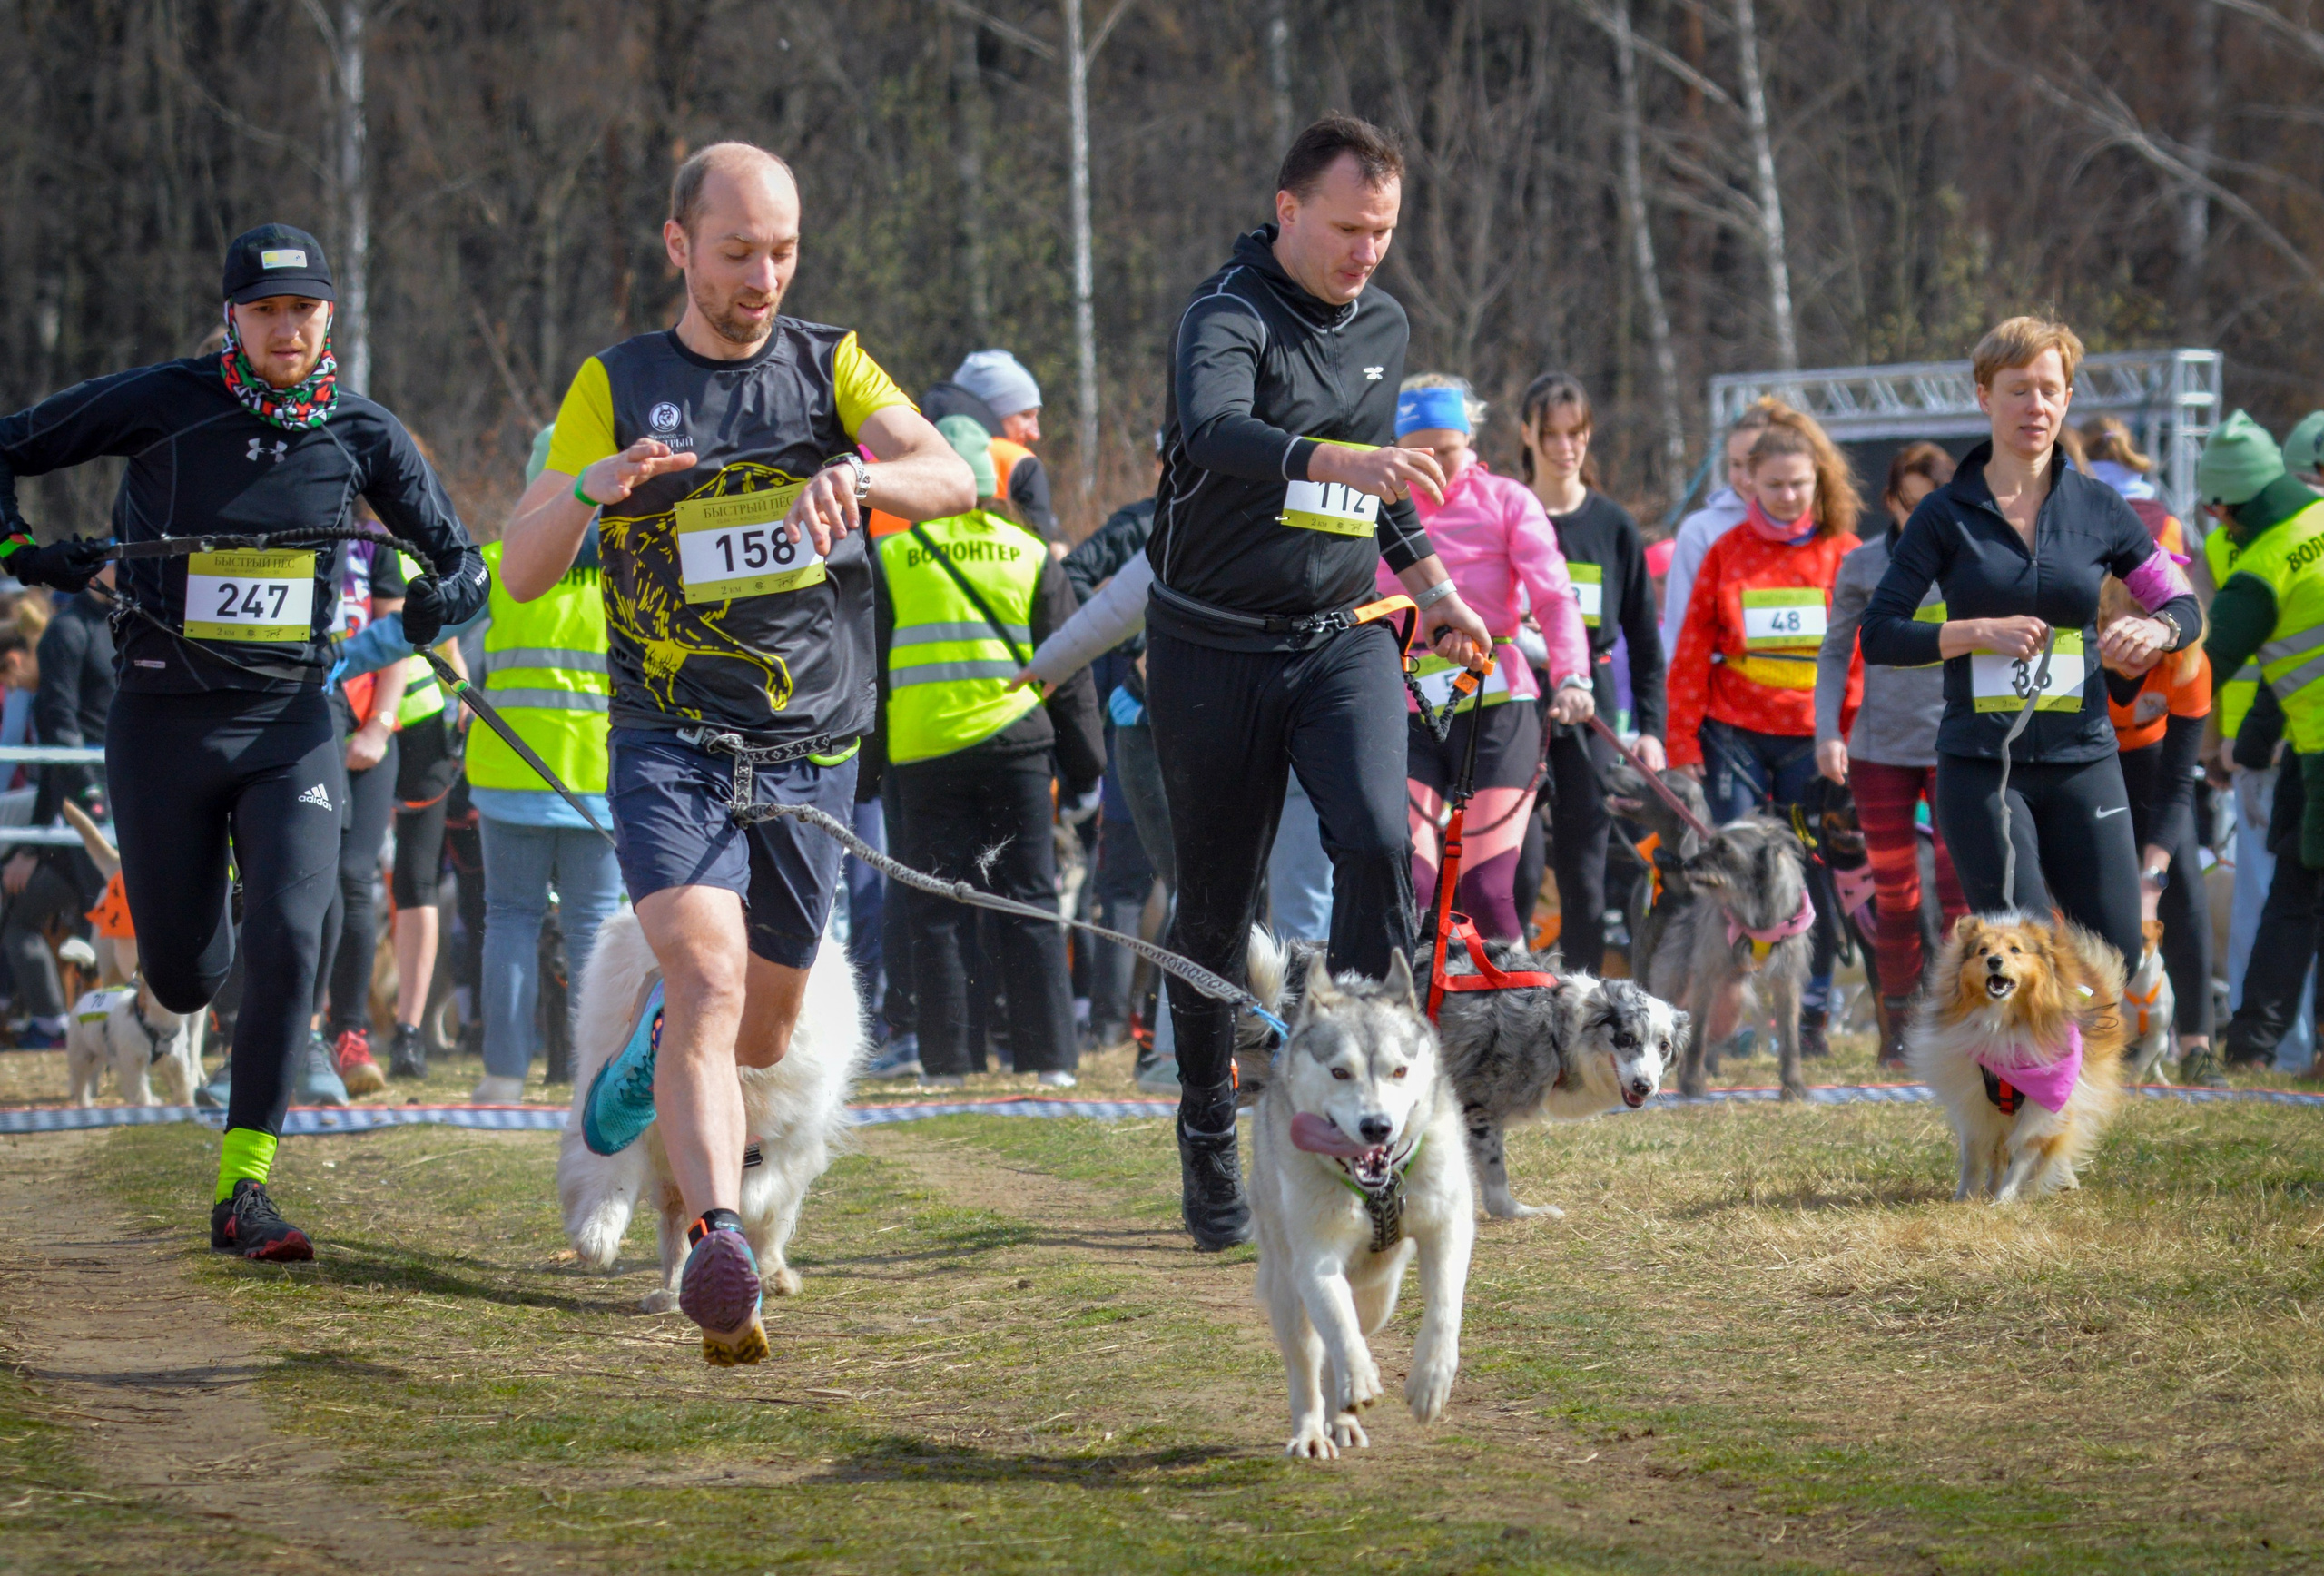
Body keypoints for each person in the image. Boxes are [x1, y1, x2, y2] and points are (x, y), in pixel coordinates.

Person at [500, 143, 973, 1362]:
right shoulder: (617, 380)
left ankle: (661, 1058)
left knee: (761, 1029)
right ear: (678, 248)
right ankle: (718, 1242)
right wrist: (592, 491)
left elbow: (954, 471)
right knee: (704, 978)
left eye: (783, 252)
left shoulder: (832, 364)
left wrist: (858, 482)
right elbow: (523, 565)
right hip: (672, 739)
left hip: (812, 743)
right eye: (735, 253)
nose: (762, 277)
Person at [0, 222, 488, 1259]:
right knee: (179, 974)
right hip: (163, 719)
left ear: (329, 317)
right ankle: (198, 934)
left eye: (302, 309)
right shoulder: (164, 402)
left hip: (288, 725)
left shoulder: (362, 432)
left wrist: (441, 597)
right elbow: (6, 448)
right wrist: (31, 556)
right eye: (265, 310)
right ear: (232, 315)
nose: (285, 328)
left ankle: (244, 1190)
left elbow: (461, 563)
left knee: (295, 930)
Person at [1144, 114, 1493, 1249]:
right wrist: (1345, 457)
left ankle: (1369, 1102)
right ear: (1290, 210)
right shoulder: (1226, 314)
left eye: (1383, 231)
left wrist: (1433, 584)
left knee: (1382, 842)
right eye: (1347, 227)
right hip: (1211, 644)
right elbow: (1215, 431)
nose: (1365, 253)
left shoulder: (1383, 322)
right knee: (1214, 904)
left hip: (1342, 634)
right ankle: (1206, 1125)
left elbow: (1378, 489)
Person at [1860, 317, 2202, 974]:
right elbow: (1881, 634)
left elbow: (2182, 605)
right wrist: (1977, 633)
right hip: (1985, 764)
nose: (2035, 406)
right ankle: (2017, 1077)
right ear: (1985, 397)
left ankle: (2063, 1071)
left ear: (2068, 398)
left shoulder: (2101, 507)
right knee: (2017, 949)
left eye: (2050, 389)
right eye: (2018, 389)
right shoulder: (1944, 514)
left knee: (2116, 954)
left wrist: (2156, 631)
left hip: (2084, 756)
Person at [872, 416, 1103, 1088]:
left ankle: (948, 1064)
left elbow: (870, 671)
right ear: (991, 482)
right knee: (1029, 901)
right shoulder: (1030, 552)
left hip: (923, 755)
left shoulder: (892, 559)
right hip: (1018, 749)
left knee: (937, 911)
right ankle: (1050, 1060)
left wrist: (865, 769)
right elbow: (1069, 664)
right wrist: (1084, 765)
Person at [1669, 407, 1864, 1055]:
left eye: (1799, 485)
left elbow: (1861, 652)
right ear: (1751, 483)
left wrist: (1849, 730)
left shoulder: (1842, 552)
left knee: (1812, 871)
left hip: (1816, 740)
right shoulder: (1725, 551)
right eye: (1774, 485)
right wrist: (1680, 742)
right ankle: (1728, 1019)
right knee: (1735, 871)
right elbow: (1692, 652)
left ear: (1818, 483)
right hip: (1736, 735)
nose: (1787, 497)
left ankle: (1809, 1015)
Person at [1379, 374, 1590, 942]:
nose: (1433, 467)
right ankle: (1417, 1020)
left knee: (1487, 887)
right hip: (1407, 706)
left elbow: (1553, 597)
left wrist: (1573, 675)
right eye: (1416, 454)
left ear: (1469, 438)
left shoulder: (1507, 501)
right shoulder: (1378, 510)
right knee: (1413, 886)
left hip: (1497, 703)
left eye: (1446, 451)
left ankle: (1520, 1017)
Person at [467, 428, 623, 1101]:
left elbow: (437, 646)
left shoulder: (499, 565)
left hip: (508, 780)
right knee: (594, 926)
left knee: (509, 919)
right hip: (599, 784)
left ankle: (502, 1079)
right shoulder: (626, 572)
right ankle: (598, 1075)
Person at [1814, 442, 1966, 1063]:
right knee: (1896, 898)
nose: (1923, 516)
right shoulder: (1863, 565)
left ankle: (1960, 1023)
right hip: (1880, 751)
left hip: (1955, 745)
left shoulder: (1970, 561)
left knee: (1960, 897)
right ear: (1890, 502)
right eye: (1911, 504)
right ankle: (1896, 1029)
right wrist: (1828, 731)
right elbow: (1833, 652)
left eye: (1938, 503)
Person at [1517, 371, 1666, 970]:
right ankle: (1504, 991)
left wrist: (1651, 728)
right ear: (1526, 435)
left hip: (1591, 701)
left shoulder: (1613, 525)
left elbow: (1644, 640)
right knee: (1518, 865)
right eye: (1549, 434)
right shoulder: (1509, 510)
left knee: (1585, 870)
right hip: (1518, 696)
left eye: (1574, 433)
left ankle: (1577, 1008)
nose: (1564, 447)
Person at [2198, 412, 2324, 1070]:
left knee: (2293, 901)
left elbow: (2204, 669)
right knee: (2293, 895)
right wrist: (2249, 749)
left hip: (2317, 751)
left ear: (2225, 507)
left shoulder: (2262, 564)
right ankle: (2252, 1049)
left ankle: (2252, 1050)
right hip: (2303, 753)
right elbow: (2290, 668)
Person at [2097, 576, 2217, 1082]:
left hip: (2154, 769)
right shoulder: (2080, 656)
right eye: (2129, 640)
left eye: (2152, 640)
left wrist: (2154, 877)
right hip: (2089, 768)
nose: (2139, 655)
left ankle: (2197, 1045)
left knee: (2184, 886)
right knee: (2092, 893)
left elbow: (2177, 785)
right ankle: (2097, 1037)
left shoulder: (2190, 664)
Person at [0, 570, 113, 1049]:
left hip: (103, 817)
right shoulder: (72, 633)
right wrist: (33, 845)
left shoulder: (128, 625)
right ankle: (54, 1025)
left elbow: (57, 750)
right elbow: (57, 749)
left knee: (108, 936)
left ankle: (109, 1030)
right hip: (80, 817)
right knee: (27, 923)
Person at [313, 534, 409, 1097]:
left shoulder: (375, 547)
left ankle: (348, 1031)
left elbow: (396, 641)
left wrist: (379, 724)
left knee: (354, 876)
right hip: (303, 726)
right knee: (307, 877)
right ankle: (288, 1028)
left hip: (370, 728)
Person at [1659, 399, 1779, 659]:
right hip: (1725, 693)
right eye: (1736, 465)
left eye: (1755, 463)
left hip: (1803, 694)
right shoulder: (1700, 530)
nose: (1746, 478)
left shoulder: (1820, 530)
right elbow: (1678, 631)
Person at [921, 350, 1058, 542]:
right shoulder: (1022, 466)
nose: (1035, 434)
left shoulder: (905, 451)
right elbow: (1039, 560)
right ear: (989, 415)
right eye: (1025, 415)